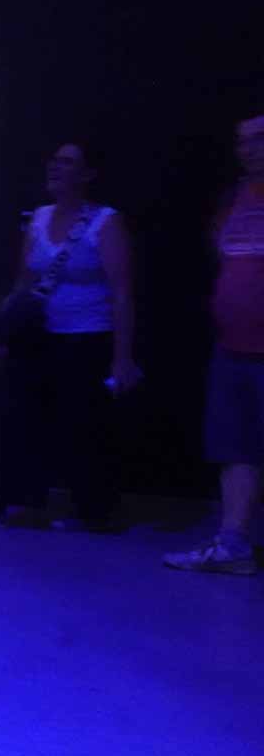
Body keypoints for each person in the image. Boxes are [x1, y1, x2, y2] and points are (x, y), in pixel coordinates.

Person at [0, 143, 140, 530]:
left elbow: (122, 290)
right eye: (54, 160)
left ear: (87, 174)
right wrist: (9, 333)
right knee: (19, 420)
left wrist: (122, 356)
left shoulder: (105, 222)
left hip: (87, 336)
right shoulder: (39, 217)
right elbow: (25, 281)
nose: (55, 167)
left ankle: (94, 511)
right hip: (37, 337)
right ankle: (7, 501)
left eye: (67, 162)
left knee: (83, 425)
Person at [164, 115, 264, 575]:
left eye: (259, 139)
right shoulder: (234, 198)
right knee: (235, 448)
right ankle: (233, 543)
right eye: (242, 141)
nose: (248, 148)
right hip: (232, 347)